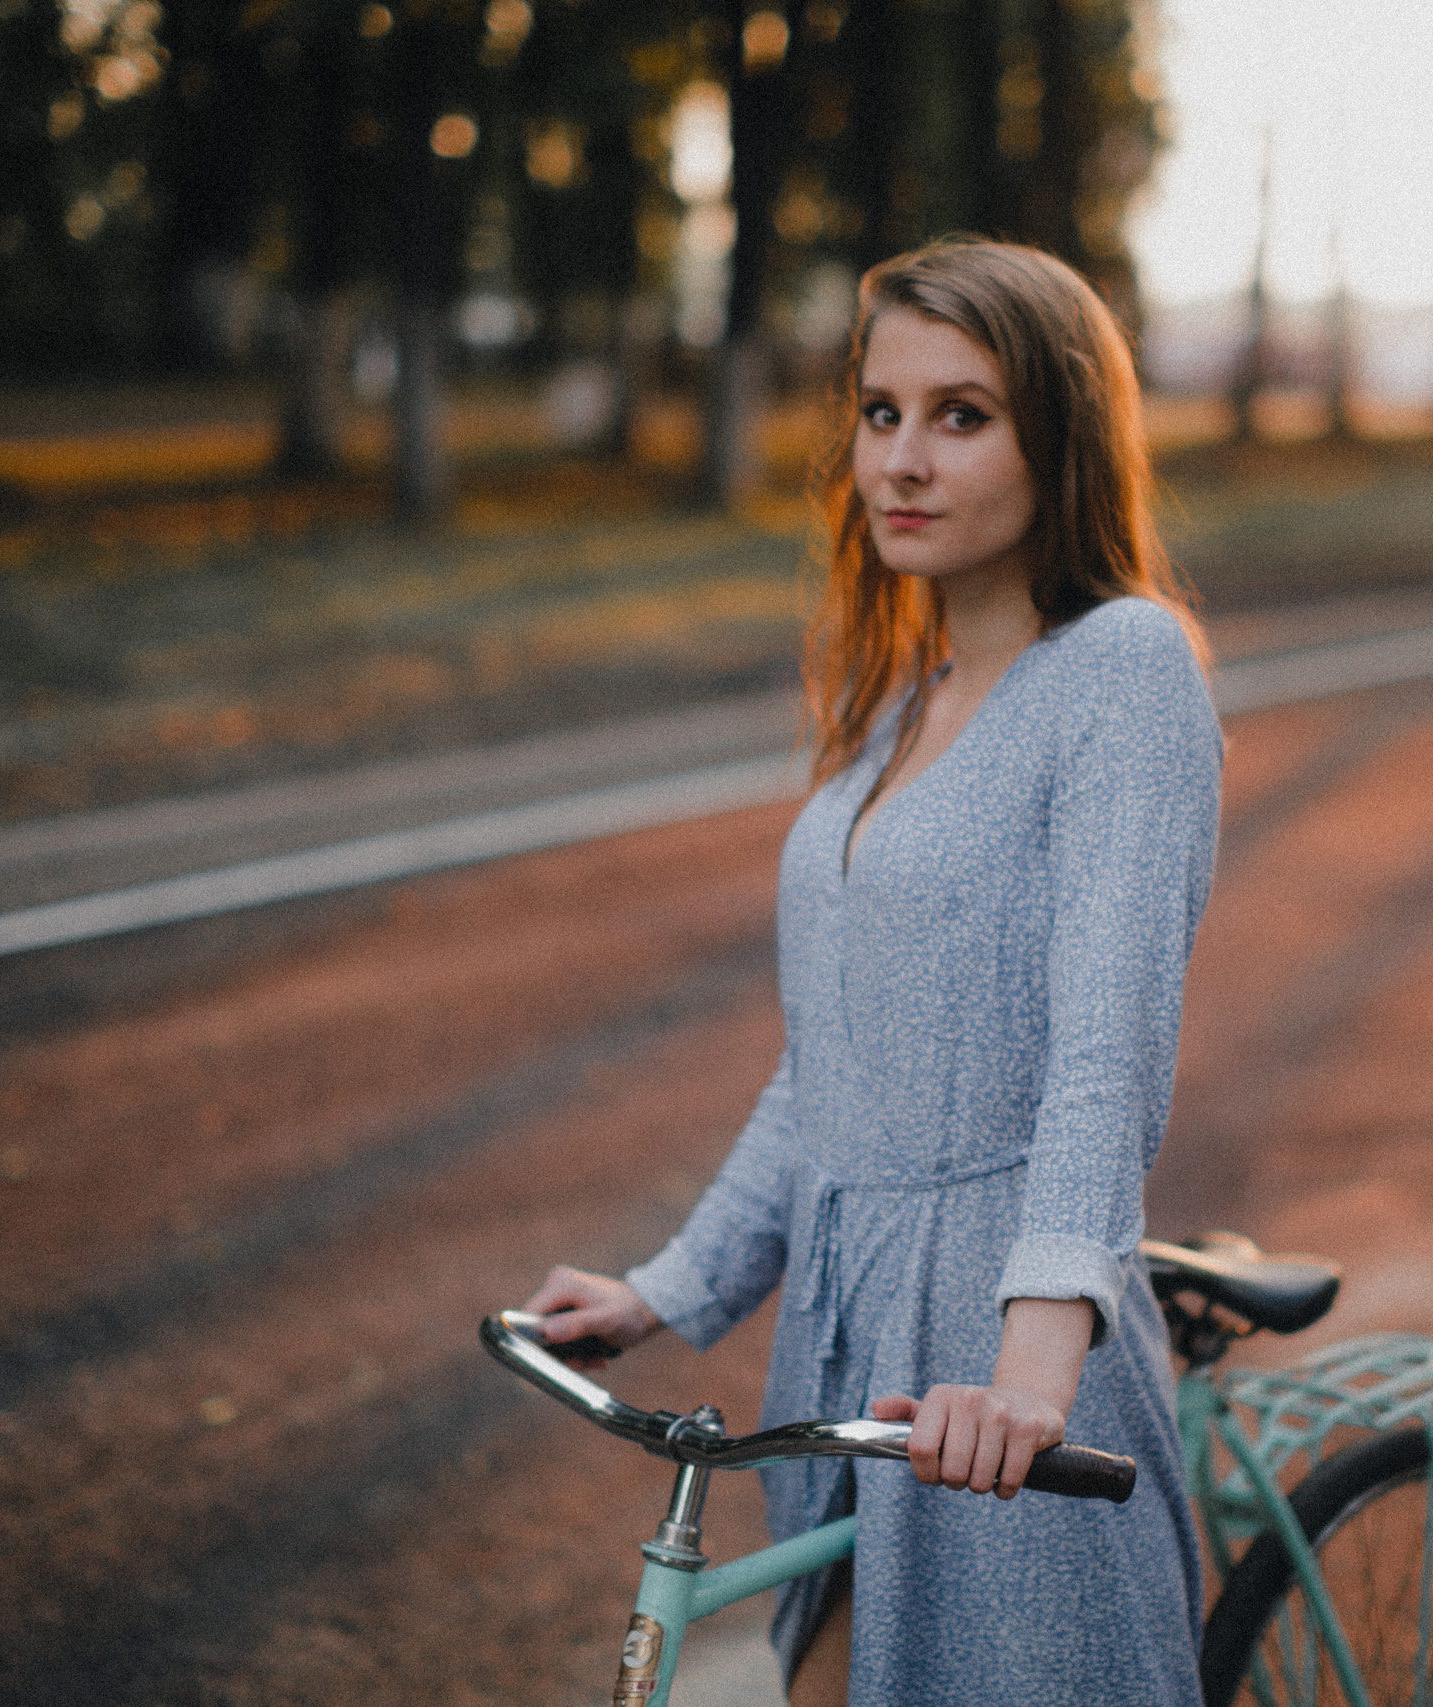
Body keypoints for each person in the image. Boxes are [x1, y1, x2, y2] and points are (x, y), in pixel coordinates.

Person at [522, 239, 1220, 1707]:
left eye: (962, 415)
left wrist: (1032, 1378)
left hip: (1002, 1369)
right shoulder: (907, 701)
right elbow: (826, 1066)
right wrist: (665, 1289)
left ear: (1063, 436)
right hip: (843, 1348)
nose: (900, 459)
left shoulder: (1123, 670)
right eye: (880, 411)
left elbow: (1106, 1054)